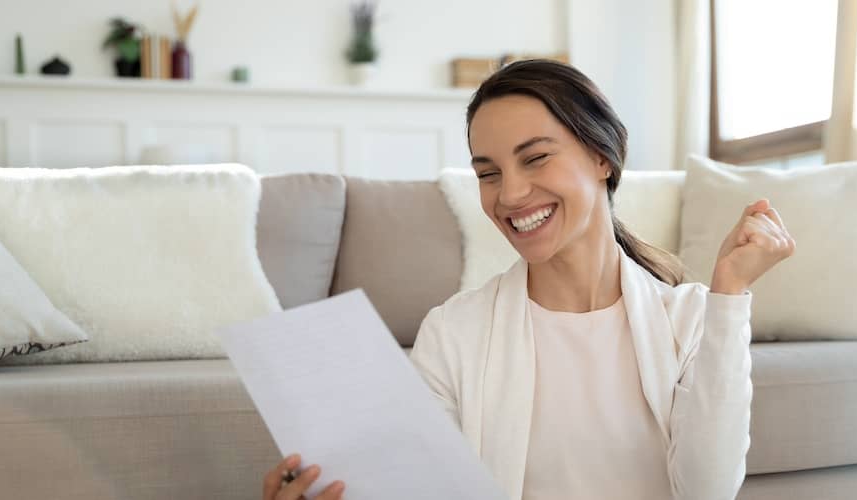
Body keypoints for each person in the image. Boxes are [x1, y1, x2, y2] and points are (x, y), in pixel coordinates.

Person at [262, 59, 794, 500]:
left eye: (535, 158)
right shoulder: (454, 332)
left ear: (601, 157)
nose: (510, 195)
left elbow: (709, 491)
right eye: (488, 173)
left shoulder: (693, 317)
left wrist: (728, 298)